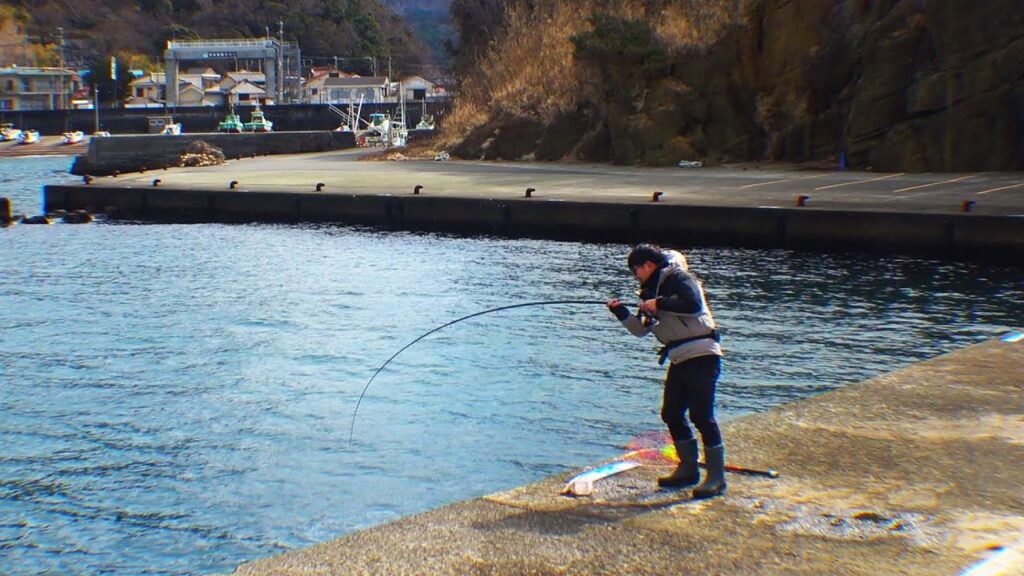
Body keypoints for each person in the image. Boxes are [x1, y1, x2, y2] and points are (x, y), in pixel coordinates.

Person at [607, 244, 726, 499]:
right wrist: (622, 313)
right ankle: (688, 468)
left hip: (703, 355)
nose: (635, 276)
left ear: (647, 266)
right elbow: (641, 330)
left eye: (635, 270)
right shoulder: (648, 293)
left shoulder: (681, 279)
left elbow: (692, 305)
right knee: (671, 413)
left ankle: (716, 478)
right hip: (679, 358)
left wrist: (657, 303)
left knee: (702, 416)